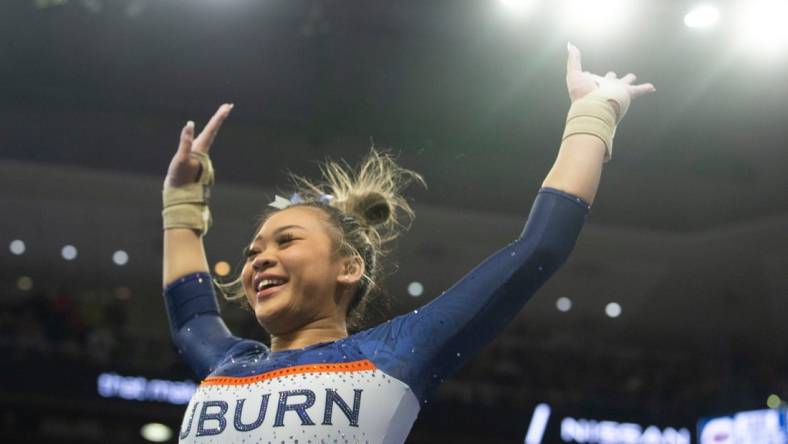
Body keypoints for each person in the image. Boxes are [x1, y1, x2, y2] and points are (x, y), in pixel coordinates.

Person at [161, 43, 655, 444]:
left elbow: (537, 250)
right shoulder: (229, 364)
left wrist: (594, 114)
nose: (259, 258)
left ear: (348, 267)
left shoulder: (394, 353)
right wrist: (181, 198)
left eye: (286, 240)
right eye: (252, 252)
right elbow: (192, 317)